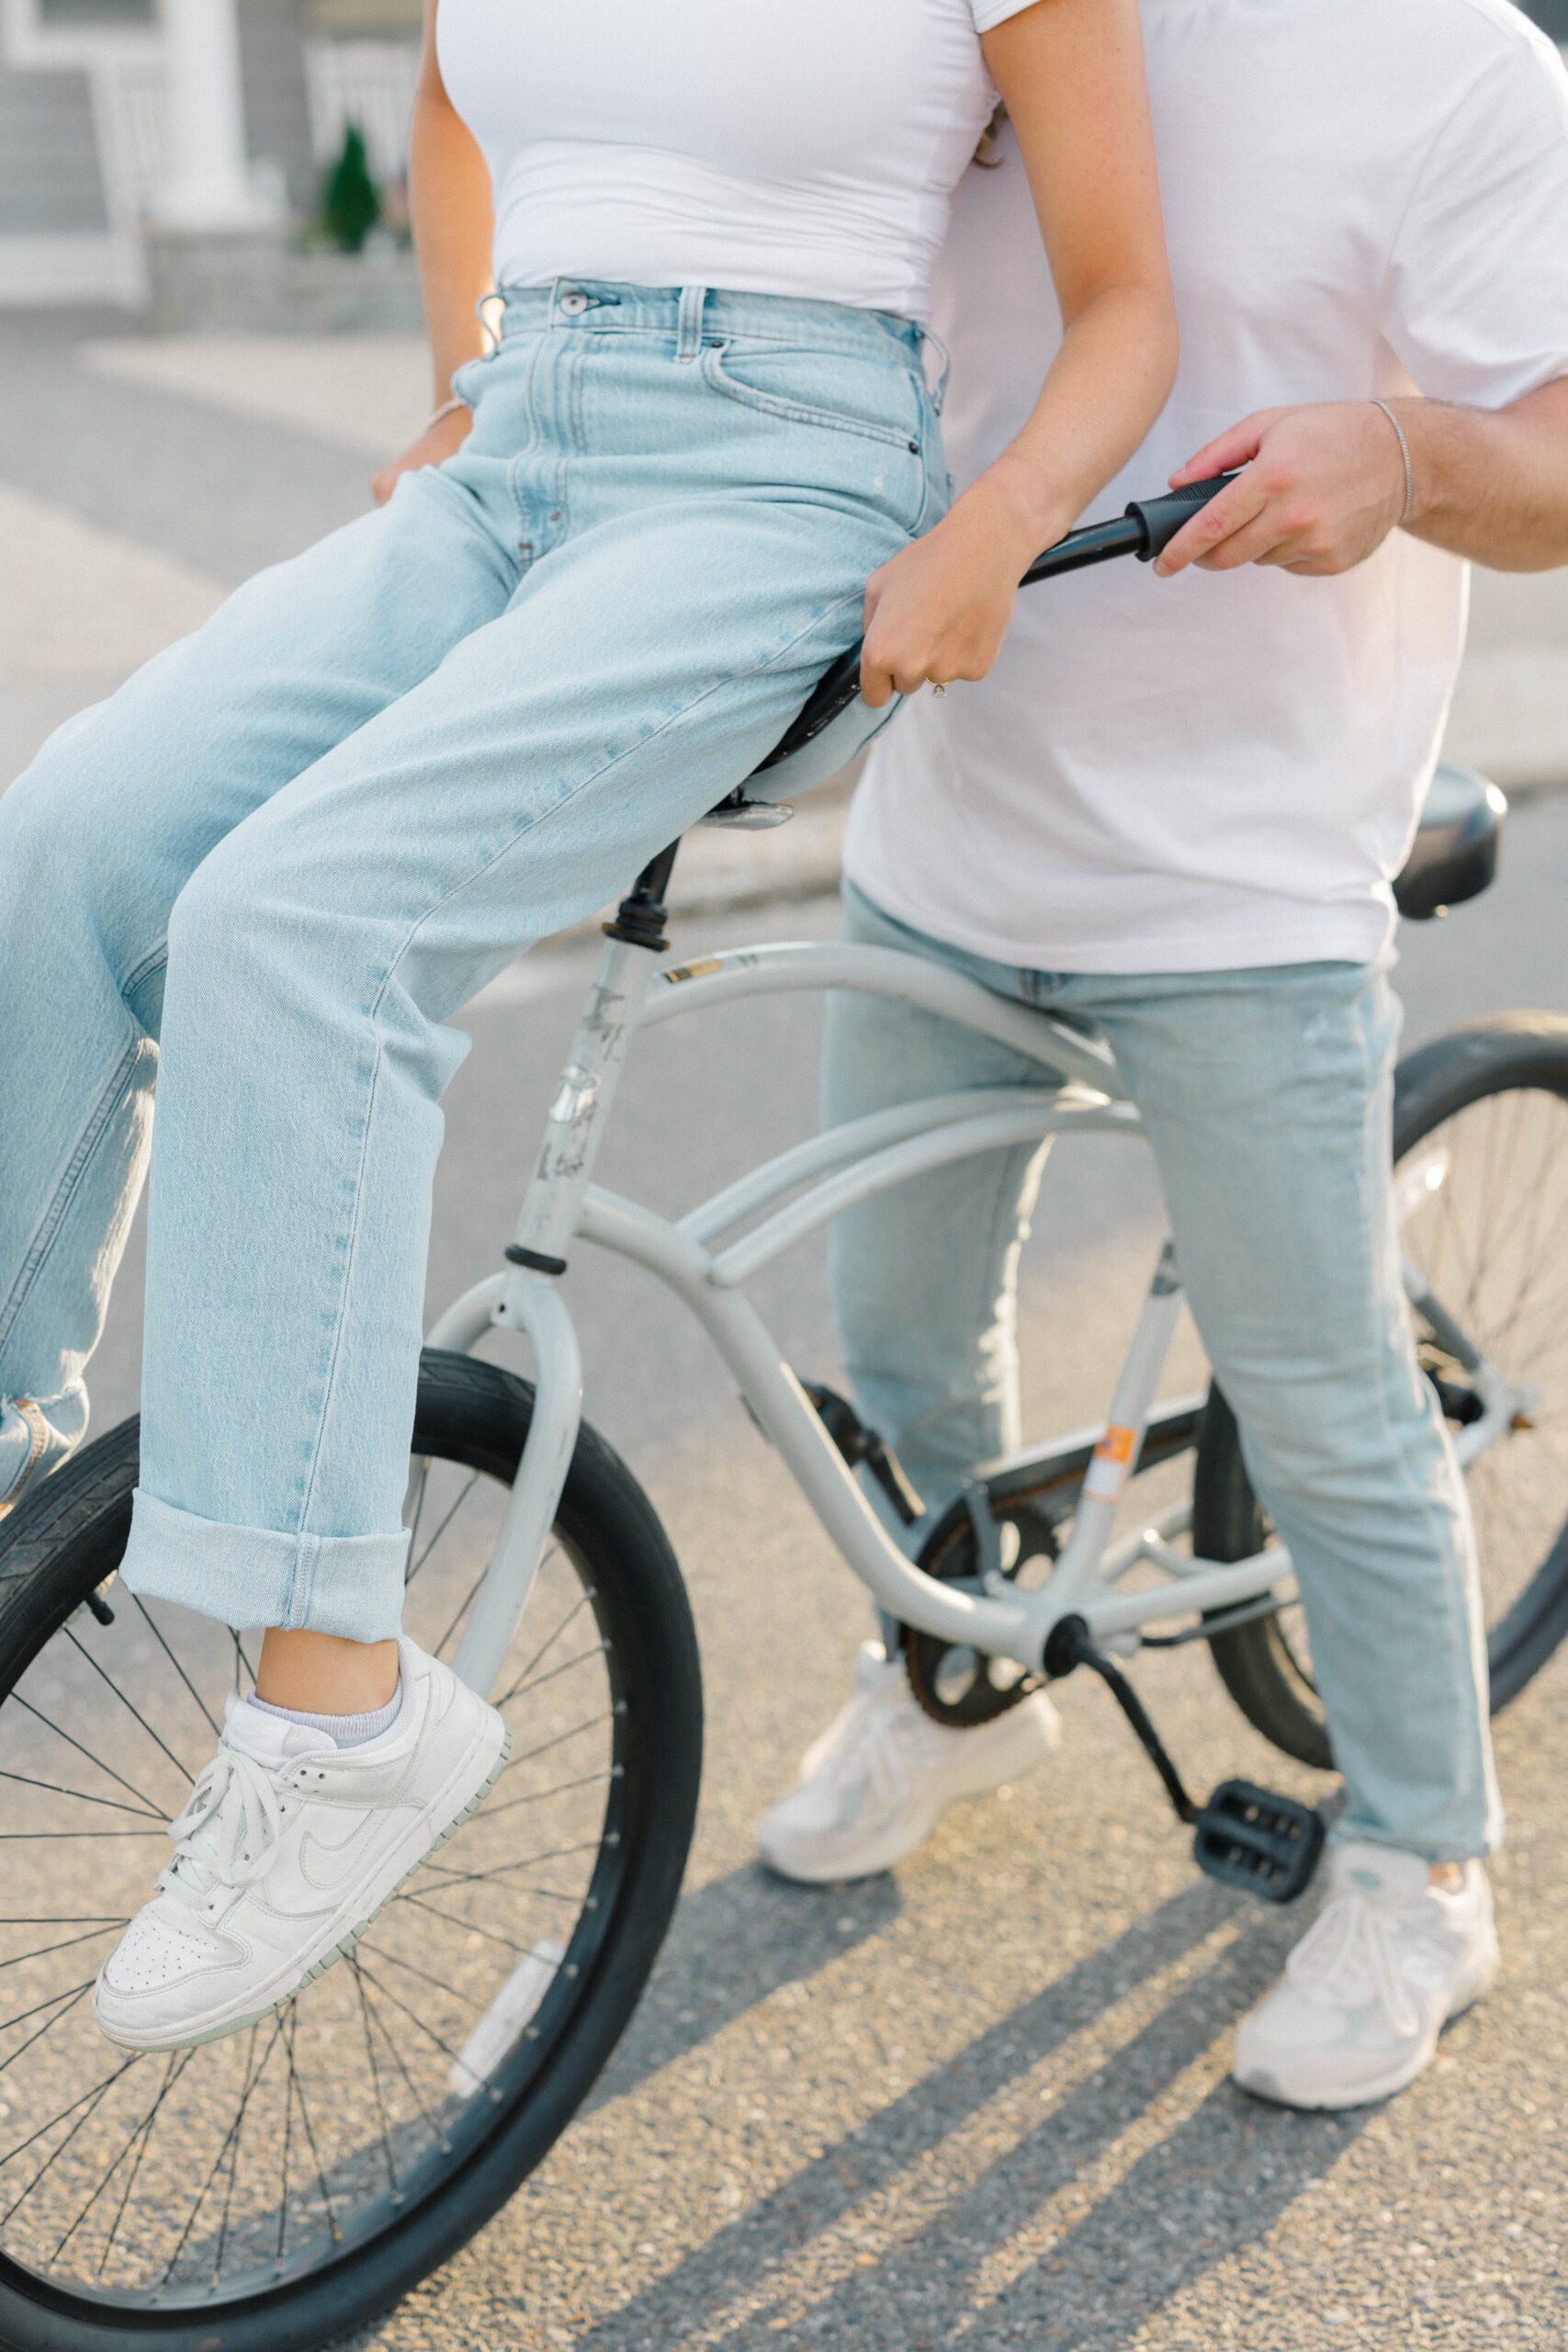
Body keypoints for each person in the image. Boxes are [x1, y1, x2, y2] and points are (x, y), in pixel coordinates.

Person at [0, 0, 1177, 2053]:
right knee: (62, 841)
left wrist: (984, 530)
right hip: (513, 445)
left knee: (300, 921)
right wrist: (462, 377)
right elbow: (456, 91)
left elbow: (1126, 309)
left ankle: (332, 1702)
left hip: (781, 476)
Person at [759, 0, 1568, 2112]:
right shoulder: (972, 15)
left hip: (1244, 888)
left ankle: (1419, 1863)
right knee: (898, 1338)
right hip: (942, 840)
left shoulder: (1454, 66)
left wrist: (1394, 457)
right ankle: (959, 1674)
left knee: (1320, 1410)